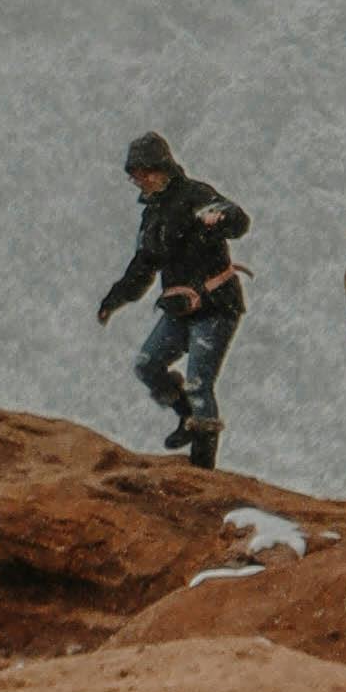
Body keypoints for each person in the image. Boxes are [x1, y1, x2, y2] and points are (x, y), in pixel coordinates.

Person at [100, 134, 250, 469]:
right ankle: (185, 418)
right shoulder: (152, 216)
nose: (141, 181)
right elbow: (142, 266)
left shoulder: (196, 195)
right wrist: (114, 299)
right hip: (178, 310)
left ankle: (202, 467)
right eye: (135, 176)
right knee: (147, 364)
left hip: (217, 307)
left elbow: (238, 219)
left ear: (163, 168)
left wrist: (222, 218)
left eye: (145, 173)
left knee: (199, 383)